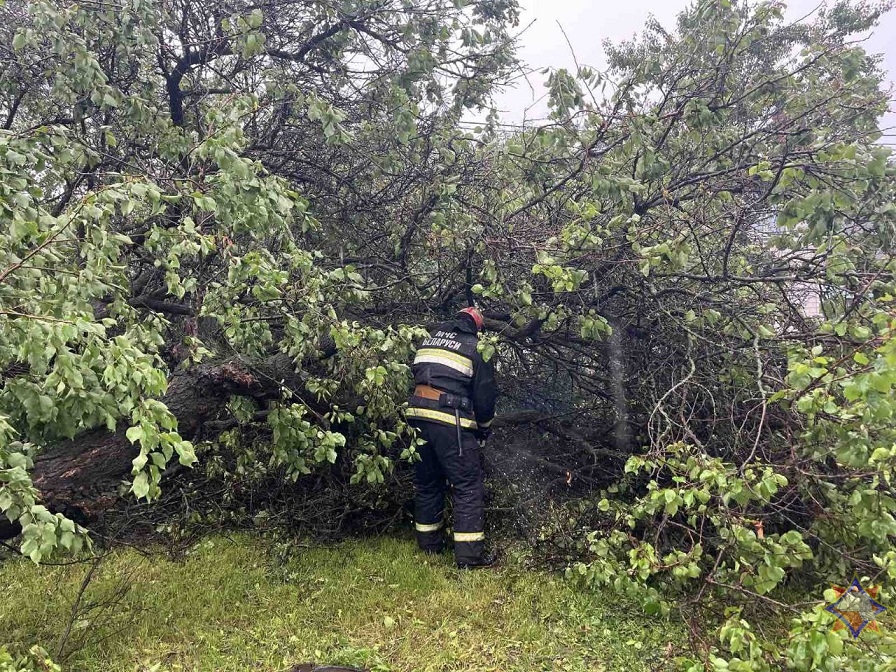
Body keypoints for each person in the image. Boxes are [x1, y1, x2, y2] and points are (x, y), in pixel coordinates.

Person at [405, 307, 497, 569]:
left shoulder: (429, 340)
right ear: (477, 328)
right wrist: (483, 429)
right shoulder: (476, 347)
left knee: (427, 482)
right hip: (449, 420)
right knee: (467, 485)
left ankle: (429, 547)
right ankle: (469, 558)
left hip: (416, 417)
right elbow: (484, 396)